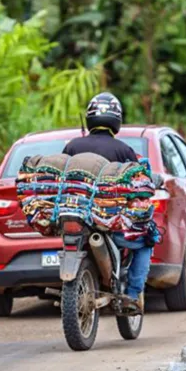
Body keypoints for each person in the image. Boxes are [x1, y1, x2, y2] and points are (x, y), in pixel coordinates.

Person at [62, 92, 151, 314]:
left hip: (74, 217)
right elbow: (137, 184)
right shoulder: (123, 150)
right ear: (116, 120)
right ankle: (131, 295)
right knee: (148, 239)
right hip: (109, 221)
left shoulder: (72, 147)